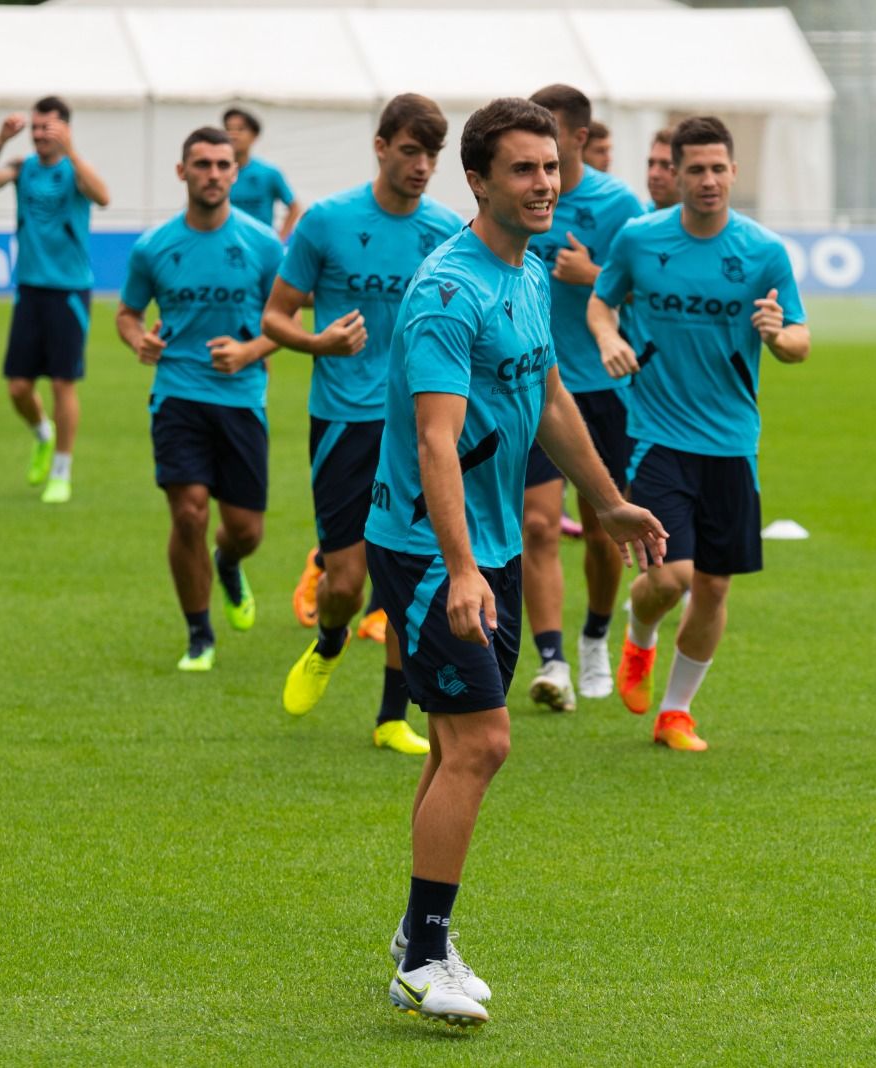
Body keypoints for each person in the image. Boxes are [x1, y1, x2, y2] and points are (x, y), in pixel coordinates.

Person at [369, 97, 666, 1028]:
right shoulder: (446, 293)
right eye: (524, 171)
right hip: (429, 547)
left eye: (551, 166)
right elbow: (433, 442)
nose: (545, 184)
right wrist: (459, 570)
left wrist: (606, 498)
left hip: (486, 546)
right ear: (480, 181)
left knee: (460, 743)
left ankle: (421, 932)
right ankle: (422, 958)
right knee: (484, 742)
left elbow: (546, 395)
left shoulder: (529, 270)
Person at [588, 116, 810, 752]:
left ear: (734, 173)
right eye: (696, 169)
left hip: (733, 443)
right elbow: (601, 302)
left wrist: (776, 333)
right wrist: (607, 337)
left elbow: (800, 341)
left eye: (719, 168)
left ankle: (675, 713)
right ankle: (640, 632)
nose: (709, 180)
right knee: (671, 577)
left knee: (713, 586)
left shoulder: (764, 251)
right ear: (674, 174)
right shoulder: (638, 240)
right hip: (656, 434)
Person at [262, 93, 463, 756]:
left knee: (410, 577)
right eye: (410, 151)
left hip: (419, 426)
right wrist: (318, 344)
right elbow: (276, 316)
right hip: (345, 420)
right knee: (346, 584)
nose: (422, 166)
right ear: (381, 147)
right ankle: (328, 640)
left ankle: (389, 718)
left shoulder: (447, 232)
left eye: (432, 155)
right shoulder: (326, 222)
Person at [116, 127, 281, 672]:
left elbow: (287, 321)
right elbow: (127, 312)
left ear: (236, 173)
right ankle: (199, 633)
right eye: (202, 164)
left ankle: (229, 562)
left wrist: (251, 350)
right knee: (187, 514)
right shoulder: (154, 247)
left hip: (241, 399)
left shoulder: (262, 244)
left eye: (222, 165)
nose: (213, 174)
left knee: (245, 531)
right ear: (181, 171)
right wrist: (138, 338)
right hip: (178, 395)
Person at [519, 84, 644, 712]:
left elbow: (651, 292)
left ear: (580, 139)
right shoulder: (519, 197)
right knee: (538, 527)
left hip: (601, 391)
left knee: (601, 530)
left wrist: (592, 275)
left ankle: (596, 635)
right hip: (530, 386)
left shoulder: (618, 205)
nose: (538, 153)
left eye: (551, 135)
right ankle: (552, 662)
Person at [0, 96, 110, 504]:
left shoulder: (75, 170)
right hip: (29, 288)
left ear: (65, 130)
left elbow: (103, 197)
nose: (38, 135)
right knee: (18, 387)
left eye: (46, 128)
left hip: (68, 290)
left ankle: (62, 470)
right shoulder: (22, 168)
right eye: (34, 128)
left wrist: (71, 151)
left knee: (62, 383)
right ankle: (42, 435)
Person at [222, 108, 302, 239]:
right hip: (226, 245)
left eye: (240, 129)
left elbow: (294, 207)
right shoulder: (215, 174)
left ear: (254, 135)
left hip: (260, 247)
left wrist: (280, 239)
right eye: (228, 129)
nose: (233, 135)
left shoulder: (269, 173)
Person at [645, 126, 679, 212]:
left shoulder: (706, 223)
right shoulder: (637, 218)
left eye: (666, 165)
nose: (654, 174)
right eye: (651, 164)